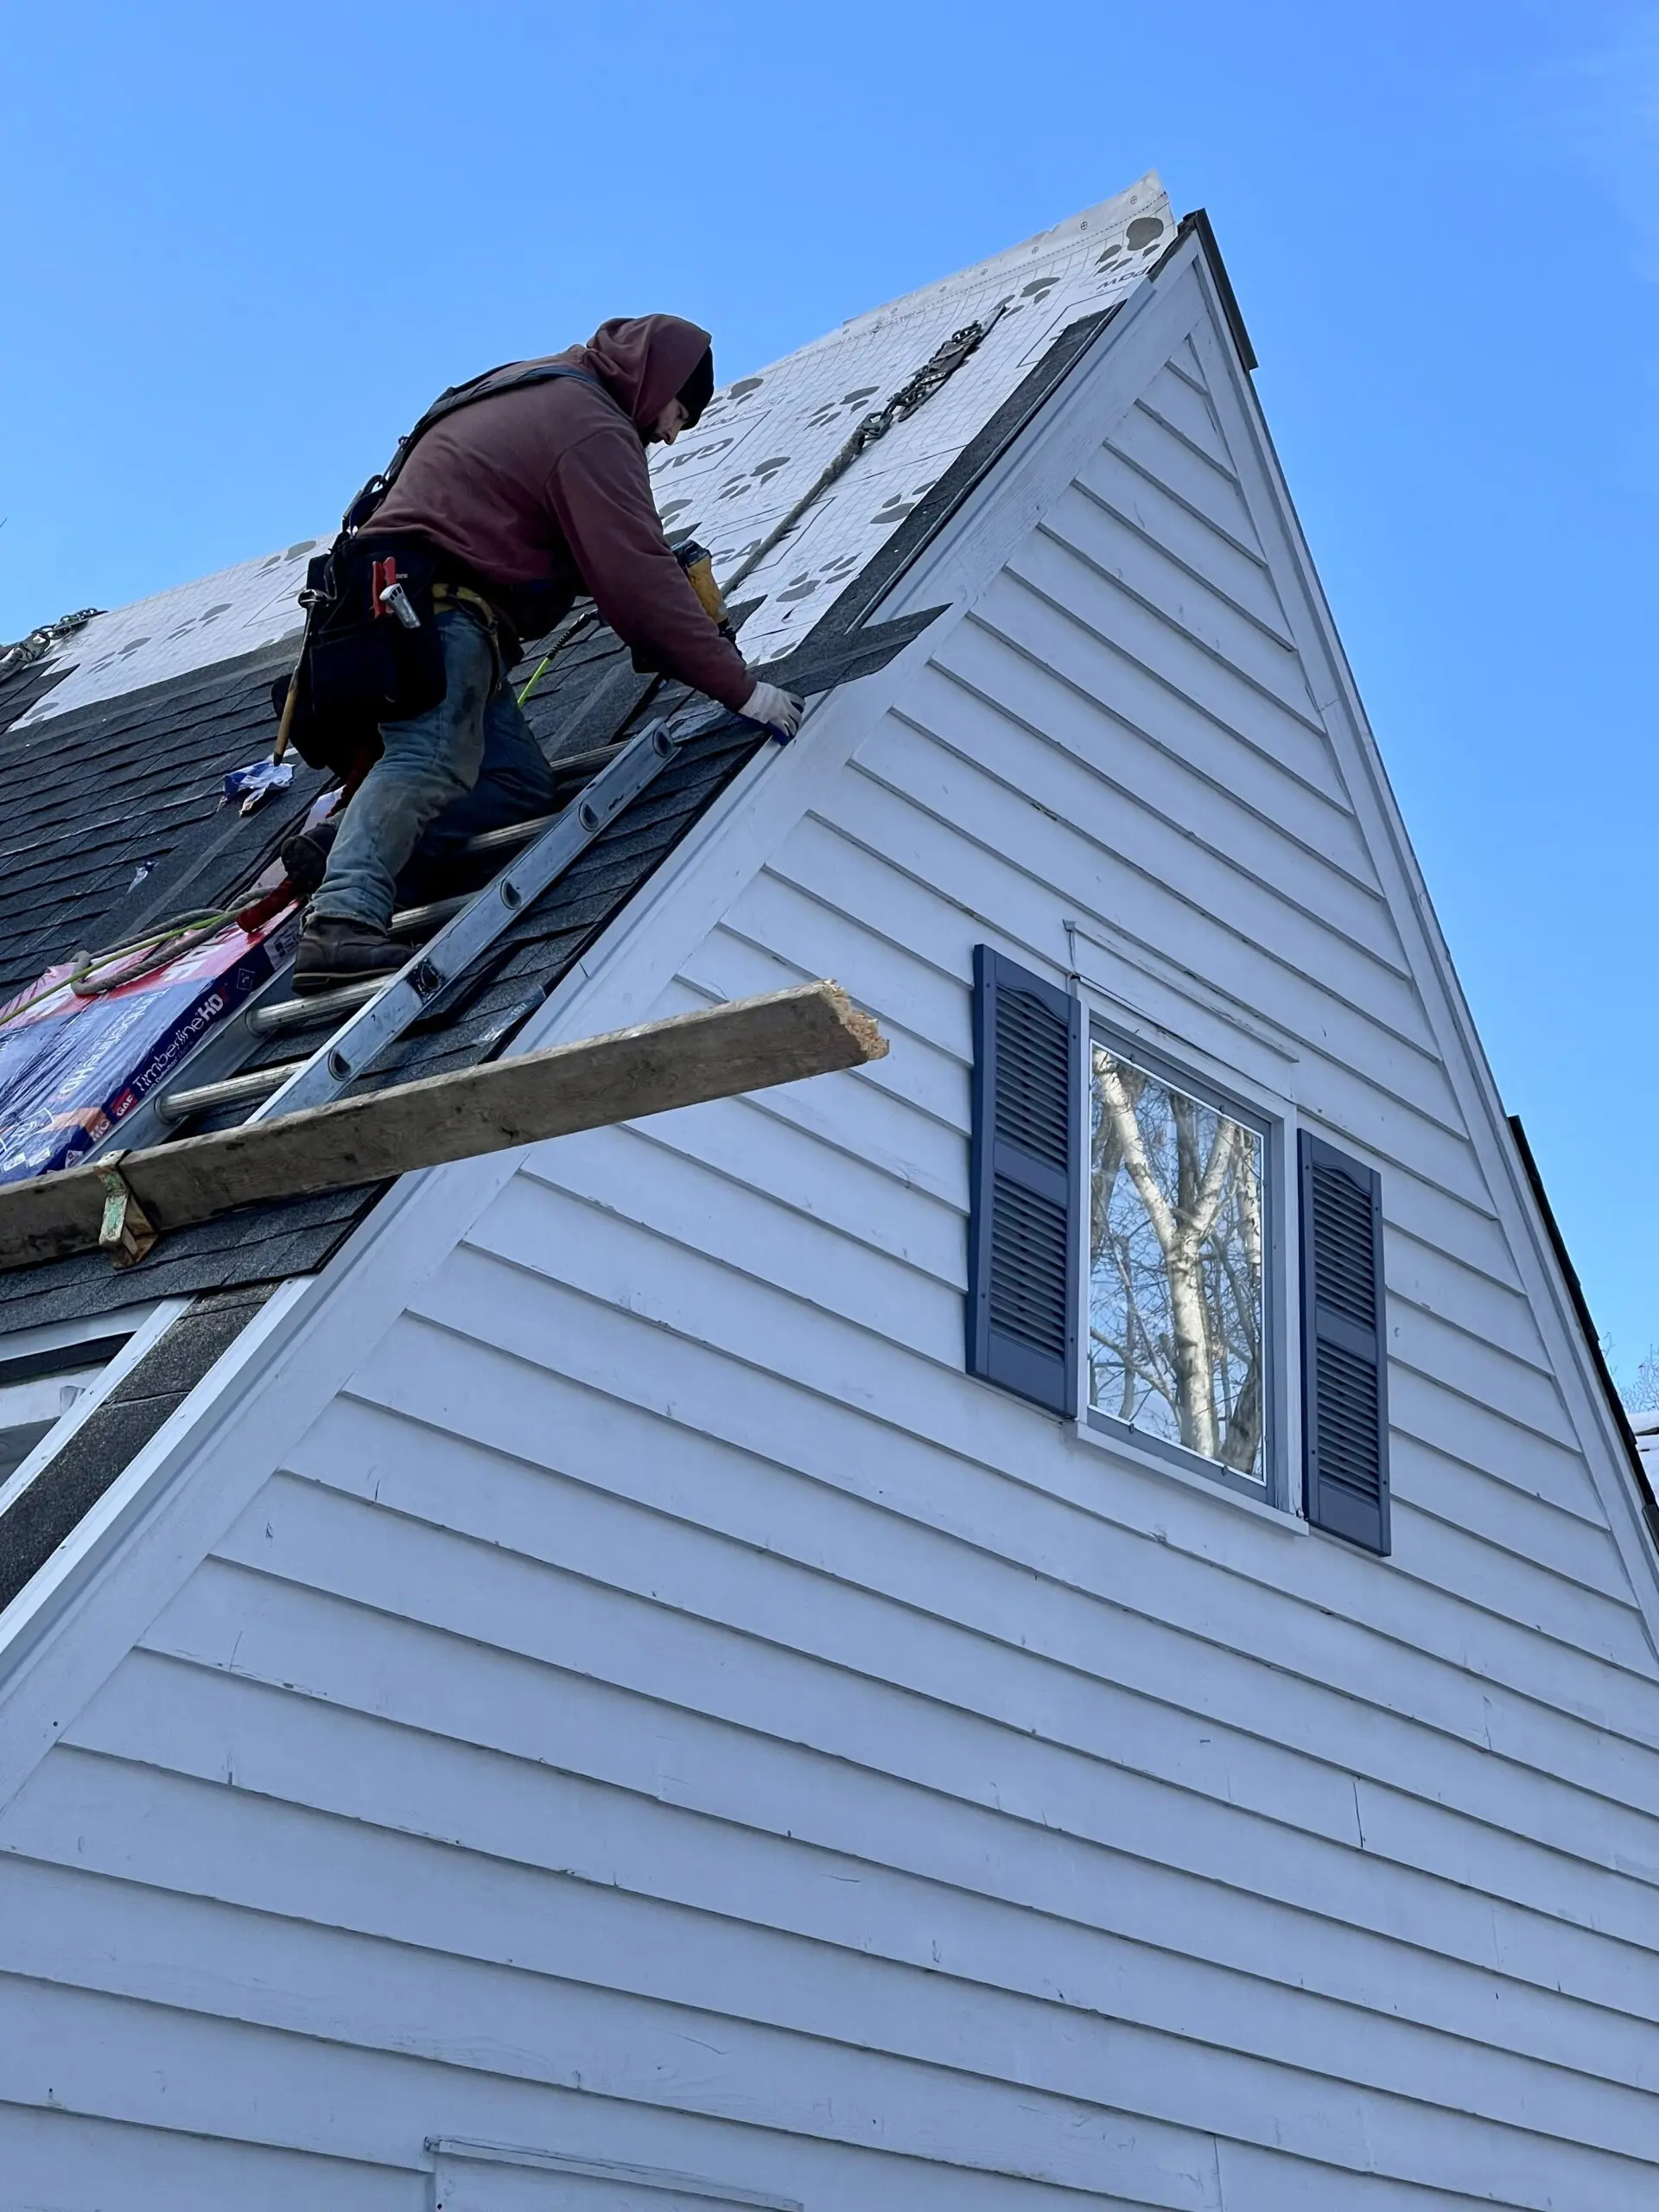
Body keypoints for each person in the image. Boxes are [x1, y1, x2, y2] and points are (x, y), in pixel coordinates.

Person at [292, 314, 803, 992]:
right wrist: (742, 690)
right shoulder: (591, 424)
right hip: (436, 609)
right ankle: (342, 924)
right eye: (680, 413)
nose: (673, 434)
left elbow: (580, 545)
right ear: (659, 382)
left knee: (515, 788)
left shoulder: (532, 386)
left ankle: (345, 851)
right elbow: (637, 580)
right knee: (432, 756)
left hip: (411, 605)